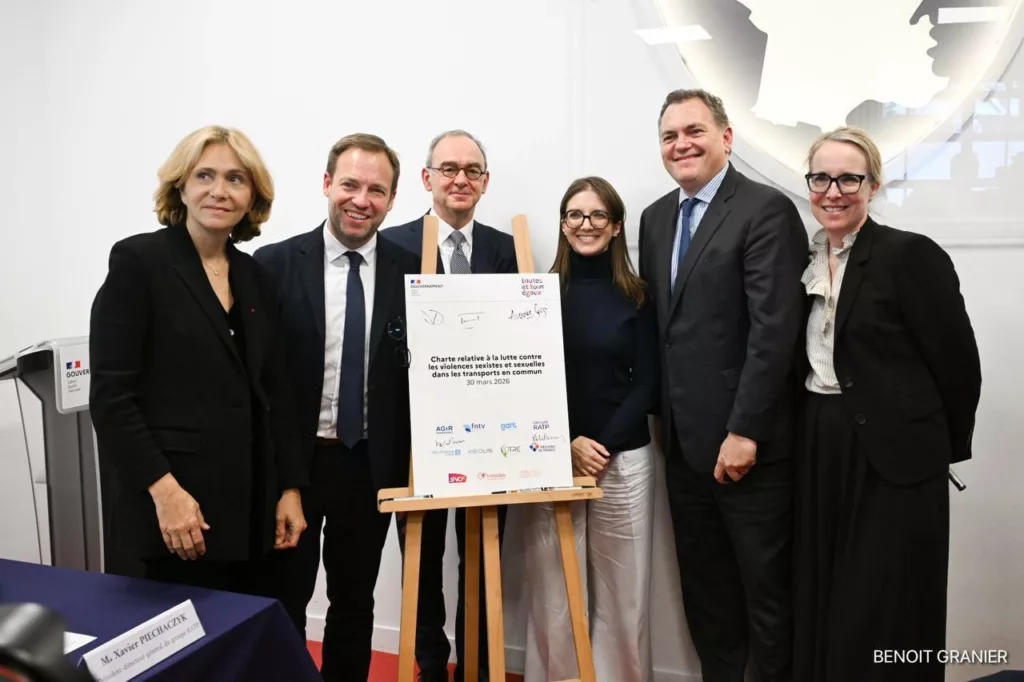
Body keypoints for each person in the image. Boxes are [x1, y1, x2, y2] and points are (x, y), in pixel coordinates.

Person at [793, 126, 981, 682]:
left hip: (897, 457)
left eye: (848, 178)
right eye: (821, 177)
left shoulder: (909, 254)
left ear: (872, 185)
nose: (833, 190)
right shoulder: (799, 257)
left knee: (888, 601)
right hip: (820, 441)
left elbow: (958, 365)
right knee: (827, 592)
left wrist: (930, 453)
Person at [89, 125, 307, 597]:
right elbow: (111, 398)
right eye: (205, 175)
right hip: (171, 513)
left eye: (236, 179)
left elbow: (274, 393)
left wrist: (289, 487)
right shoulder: (139, 262)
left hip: (249, 516)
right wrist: (165, 493)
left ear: (253, 197)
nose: (219, 190)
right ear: (181, 186)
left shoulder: (255, 276)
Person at [637, 89, 807, 682]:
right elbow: (665, 327)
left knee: (765, 593)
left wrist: (744, 430)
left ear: (726, 137)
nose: (681, 144)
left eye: (695, 131)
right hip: (682, 448)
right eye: (669, 136)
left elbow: (775, 331)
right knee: (706, 593)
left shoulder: (765, 210)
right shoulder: (656, 218)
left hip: (747, 449)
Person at [253, 133, 419, 681]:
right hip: (294, 468)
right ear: (327, 184)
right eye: (350, 184)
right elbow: (261, 380)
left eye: (377, 190)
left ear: (393, 200)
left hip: (367, 463)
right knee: (285, 597)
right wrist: (282, 479)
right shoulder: (273, 264)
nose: (361, 199)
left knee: (355, 601)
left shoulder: (413, 269)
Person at [380, 129, 516, 682]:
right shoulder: (391, 246)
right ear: (426, 178)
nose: (460, 179)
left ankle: (479, 664)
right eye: (449, 168)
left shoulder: (509, 250)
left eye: (472, 170)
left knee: (483, 557)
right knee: (423, 558)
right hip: (412, 435)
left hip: (493, 433)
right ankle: (431, 664)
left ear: (486, 181)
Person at [523, 177, 659, 681]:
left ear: (616, 226)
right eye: (575, 215)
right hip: (553, 456)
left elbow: (647, 383)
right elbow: (528, 381)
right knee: (556, 596)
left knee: (626, 598)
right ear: (563, 224)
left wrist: (599, 445)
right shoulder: (535, 295)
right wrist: (568, 442)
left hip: (623, 462)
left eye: (597, 215)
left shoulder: (639, 296)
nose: (586, 225)